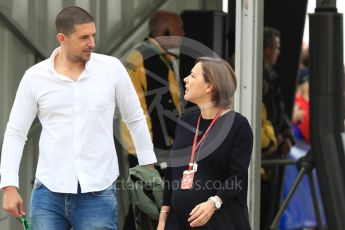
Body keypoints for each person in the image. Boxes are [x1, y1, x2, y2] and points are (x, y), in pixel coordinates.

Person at [0, 6, 156, 230]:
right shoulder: (34, 77)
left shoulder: (112, 69)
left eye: (93, 35)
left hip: (98, 193)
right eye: (84, 37)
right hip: (47, 194)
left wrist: (148, 170)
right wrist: (9, 186)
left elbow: (135, 118)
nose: (92, 42)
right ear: (62, 38)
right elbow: (16, 132)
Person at [157, 57, 253, 230]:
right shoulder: (185, 122)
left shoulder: (238, 125)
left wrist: (212, 204)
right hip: (178, 223)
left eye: (193, 76)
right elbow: (172, 173)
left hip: (220, 222)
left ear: (210, 86)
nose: (186, 79)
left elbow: (237, 177)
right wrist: (163, 218)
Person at [120, 10, 185, 173]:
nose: (184, 34)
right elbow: (153, 109)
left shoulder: (157, 56)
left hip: (151, 147)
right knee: (152, 197)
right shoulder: (146, 60)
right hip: (148, 149)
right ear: (166, 32)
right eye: (180, 29)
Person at [260, 27, 295, 230]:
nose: (279, 53)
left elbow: (279, 112)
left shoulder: (272, 76)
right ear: (266, 50)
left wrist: (287, 135)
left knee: (270, 211)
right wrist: (278, 141)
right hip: (263, 157)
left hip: (272, 155)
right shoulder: (255, 77)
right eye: (276, 48)